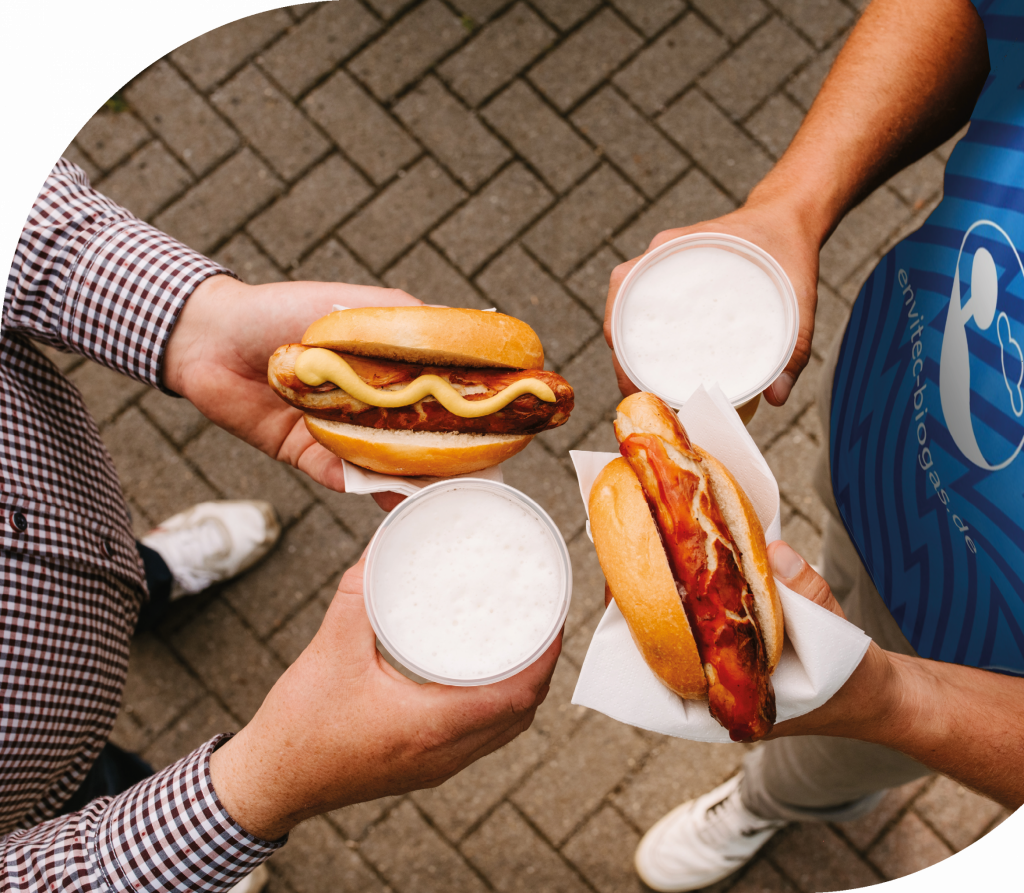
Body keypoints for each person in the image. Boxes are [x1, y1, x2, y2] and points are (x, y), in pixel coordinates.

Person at [1, 159, 559, 892]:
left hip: (77, 528)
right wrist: (239, 801)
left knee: (121, 584)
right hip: (28, 796)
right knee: (100, 791)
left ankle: (150, 575)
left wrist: (191, 324)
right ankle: (181, 846)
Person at [602, 0, 1023, 889]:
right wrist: (792, 200)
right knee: (829, 563)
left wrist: (899, 702)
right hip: (883, 402)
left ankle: (774, 801)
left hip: (982, 655)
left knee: (833, 749)